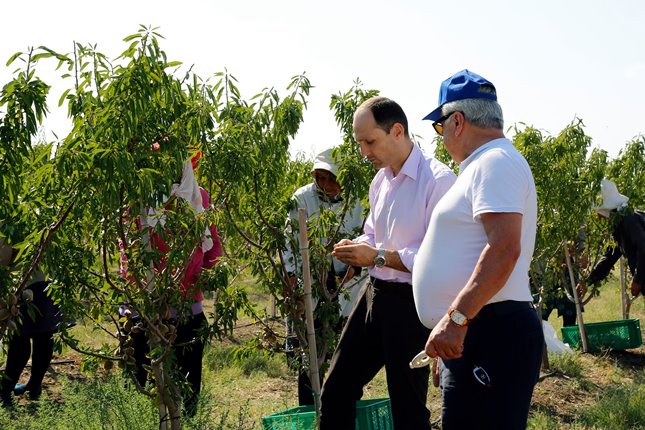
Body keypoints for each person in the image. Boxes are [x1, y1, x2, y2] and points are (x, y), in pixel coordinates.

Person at [413, 70, 543, 429]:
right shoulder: (483, 165)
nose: (440, 139)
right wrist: (452, 328)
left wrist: (456, 320)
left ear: (457, 121)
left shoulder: (494, 162)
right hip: (477, 330)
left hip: (491, 330)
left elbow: (503, 249)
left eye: (439, 128)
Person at [319, 96, 456, 429]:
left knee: (407, 410)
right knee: (336, 389)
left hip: (412, 306)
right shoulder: (380, 182)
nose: (364, 152)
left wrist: (376, 256)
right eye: (360, 143)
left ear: (397, 131)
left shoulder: (438, 182)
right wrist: (358, 247)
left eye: (370, 141)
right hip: (374, 296)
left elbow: (436, 259)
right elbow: (375, 235)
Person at [119, 157, 222, 417]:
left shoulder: (198, 197)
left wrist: (204, 272)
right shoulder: (141, 197)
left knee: (180, 376)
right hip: (149, 304)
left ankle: (181, 419)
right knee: (143, 373)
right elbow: (128, 246)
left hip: (181, 302)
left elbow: (212, 243)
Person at [282, 147, 366, 406]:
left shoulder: (359, 200)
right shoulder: (302, 199)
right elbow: (289, 244)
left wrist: (358, 266)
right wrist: (294, 282)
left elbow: (368, 237)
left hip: (347, 284)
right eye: (321, 177)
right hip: (311, 286)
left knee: (347, 356)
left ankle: (342, 409)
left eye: (332, 178)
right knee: (311, 357)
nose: (326, 184)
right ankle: (310, 410)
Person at [1, 238, 64, 408]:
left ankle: (5, 392)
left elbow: (3, 256)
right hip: (48, 281)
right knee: (44, 336)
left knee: (20, 340)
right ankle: (34, 386)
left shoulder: (9, 219)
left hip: (25, 286)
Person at [578, 179, 644, 298]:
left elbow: (643, 248)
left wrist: (638, 280)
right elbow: (610, 255)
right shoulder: (619, 224)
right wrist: (588, 281)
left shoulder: (629, 221)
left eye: (599, 211)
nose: (598, 216)